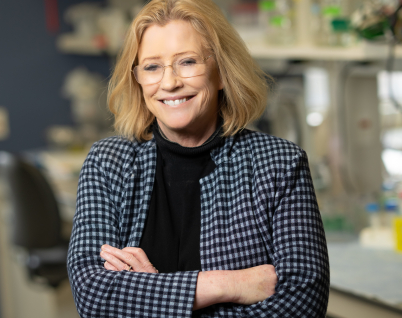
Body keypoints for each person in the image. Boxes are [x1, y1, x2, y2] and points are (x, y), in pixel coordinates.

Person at [67, 0, 329, 317]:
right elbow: (93, 296)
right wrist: (225, 285)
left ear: (221, 72)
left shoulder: (279, 164)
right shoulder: (108, 163)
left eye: (187, 62)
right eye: (152, 67)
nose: (169, 82)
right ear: (137, 78)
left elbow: (303, 304)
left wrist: (152, 295)